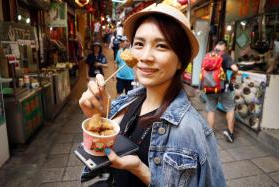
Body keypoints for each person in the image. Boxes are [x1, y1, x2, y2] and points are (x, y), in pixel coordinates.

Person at [79, 2, 226, 187]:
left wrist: (141, 170)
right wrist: (99, 117)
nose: (145, 56)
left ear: (181, 60)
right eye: (139, 44)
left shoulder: (191, 131)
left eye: (161, 46)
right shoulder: (128, 101)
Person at [205, 40, 238, 143]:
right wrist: (233, 75)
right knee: (230, 108)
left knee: (211, 110)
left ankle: (210, 133)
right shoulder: (225, 56)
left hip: (209, 87)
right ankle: (230, 132)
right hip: (223, 88)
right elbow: (235, 68)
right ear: (224, 46)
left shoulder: (208, 55)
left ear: (216, 45)